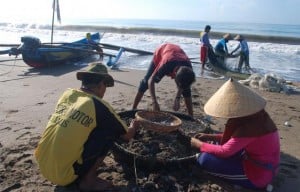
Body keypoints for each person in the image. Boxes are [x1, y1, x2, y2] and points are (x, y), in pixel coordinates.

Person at [35, 63, 140, 191]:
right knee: (107, 132)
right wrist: (134, 124)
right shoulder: (98, 105)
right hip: (64, 175)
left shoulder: (67, 94)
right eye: (105, 86)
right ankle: (88, 180)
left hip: (43, 165)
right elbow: (127, 135)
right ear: (101, 85)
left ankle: (81, 168)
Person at [190, 78, 280, 190]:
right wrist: (209, 137)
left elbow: (225, 152)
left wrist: (199, 144)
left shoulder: (250, 128)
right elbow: (236, 141)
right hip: (263, 163)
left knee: (204, 159)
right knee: (212, 145)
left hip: (259, 174)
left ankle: (249, 184)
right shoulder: (259, 118)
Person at [132, 43, 196, 117]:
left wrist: (177, 98)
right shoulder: (165, 65)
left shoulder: (188, 68)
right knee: (145, 82)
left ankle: (191, 116)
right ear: (174, 76)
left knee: (186, 90)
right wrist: (154, 102)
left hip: (176, 54)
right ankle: (133, 108)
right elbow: (151, 81)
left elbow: (183, 85)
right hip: (161, 52)